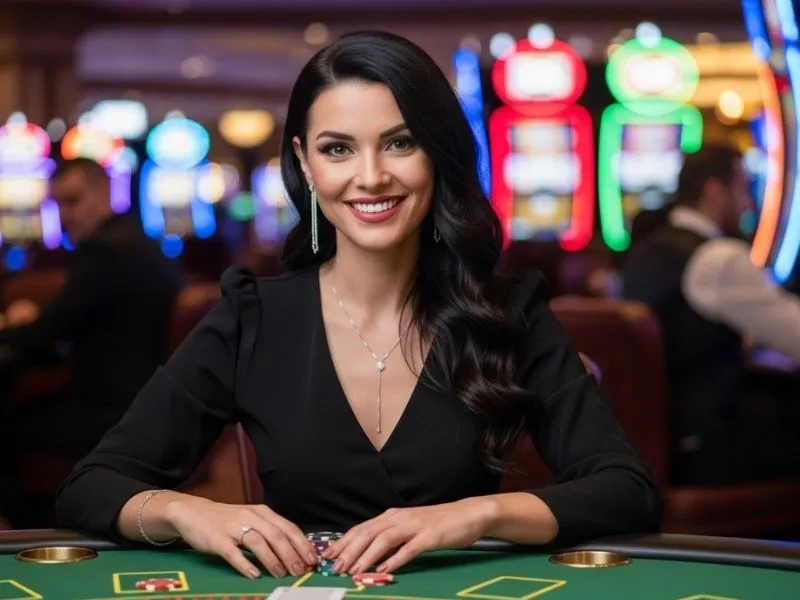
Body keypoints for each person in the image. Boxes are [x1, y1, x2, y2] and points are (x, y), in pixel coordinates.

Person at [56, 31, 660, 581]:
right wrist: (191, 513)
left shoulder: (507, 311)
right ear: (305, 163)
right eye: (338, 149)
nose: (370, 177)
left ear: (439, 154)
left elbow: (624, 490)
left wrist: (472, 517)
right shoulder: (252, 316)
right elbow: (91, 485)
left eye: (400, 142)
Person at [0, 157, 182, 526]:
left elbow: (42, 338)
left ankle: (31, 535)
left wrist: (13, 325)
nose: (64, 215)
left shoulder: (107, 253)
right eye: (57, 204)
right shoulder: (138, 241)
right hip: (144, 405)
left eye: (73, 201)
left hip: (113, 413)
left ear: (103, 194)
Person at [621, 144, 800, 484]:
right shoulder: (718, 258)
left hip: (659, 444)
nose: (750, 204)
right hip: (707, 447)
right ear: (715, 191)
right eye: (745, 188)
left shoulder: (647, 249)